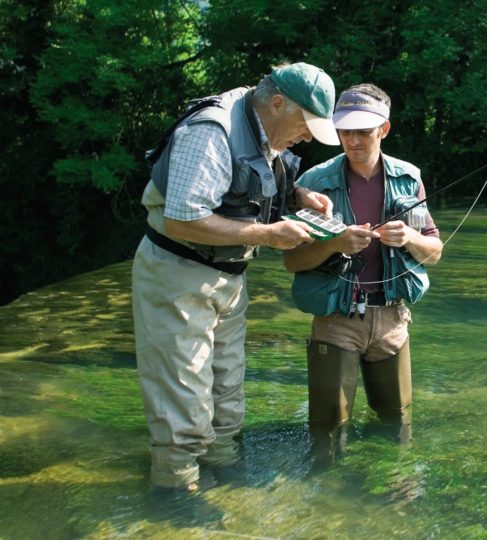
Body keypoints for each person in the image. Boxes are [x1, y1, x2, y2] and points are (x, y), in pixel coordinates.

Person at [132, 62, 340, 492]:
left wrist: (298, 195)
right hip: (179, 273)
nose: (307, 138)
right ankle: (175, 490)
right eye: (306, 126)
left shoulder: (266, 121)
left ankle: (224, 466)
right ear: (279, 103)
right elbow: (183, 219)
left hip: (229, 275)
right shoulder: (211, 131)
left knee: (227, 388)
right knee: (183, 390)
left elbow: (259, 180)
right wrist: (269, 234)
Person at [284, 83, 442, 465]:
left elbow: (435, 253)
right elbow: (293, 263)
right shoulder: (312, 183)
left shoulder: (408, 178)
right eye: (344, 131)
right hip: (336, 319)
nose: (352, 140)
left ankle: (388, 499)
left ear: (383, 130)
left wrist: (409, 238)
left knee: (396, 424)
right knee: (327, 429)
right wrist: (333, 243)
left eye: (362, 131)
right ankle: (328, 502)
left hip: (391, 319)